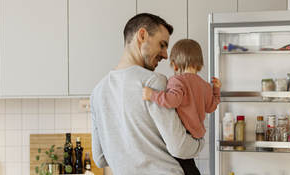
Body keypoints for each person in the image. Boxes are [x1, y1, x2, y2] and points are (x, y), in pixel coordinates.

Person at [90, 13, 204, 175]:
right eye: (162, 45)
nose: (165, 54)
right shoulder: (153, 82)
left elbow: (100, 158)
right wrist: (200, 141)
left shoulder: (97, 92)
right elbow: (179, 147)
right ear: (142, 35)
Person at [142, 39, 221, 174]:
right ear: (199, 64)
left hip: (183, 138)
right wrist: (216, 90)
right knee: (187, 166)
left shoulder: (177, 81)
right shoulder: (205, 86)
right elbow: (211, 107)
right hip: (197, 140)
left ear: (175, 65)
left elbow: (172, 101)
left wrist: (152, 95)